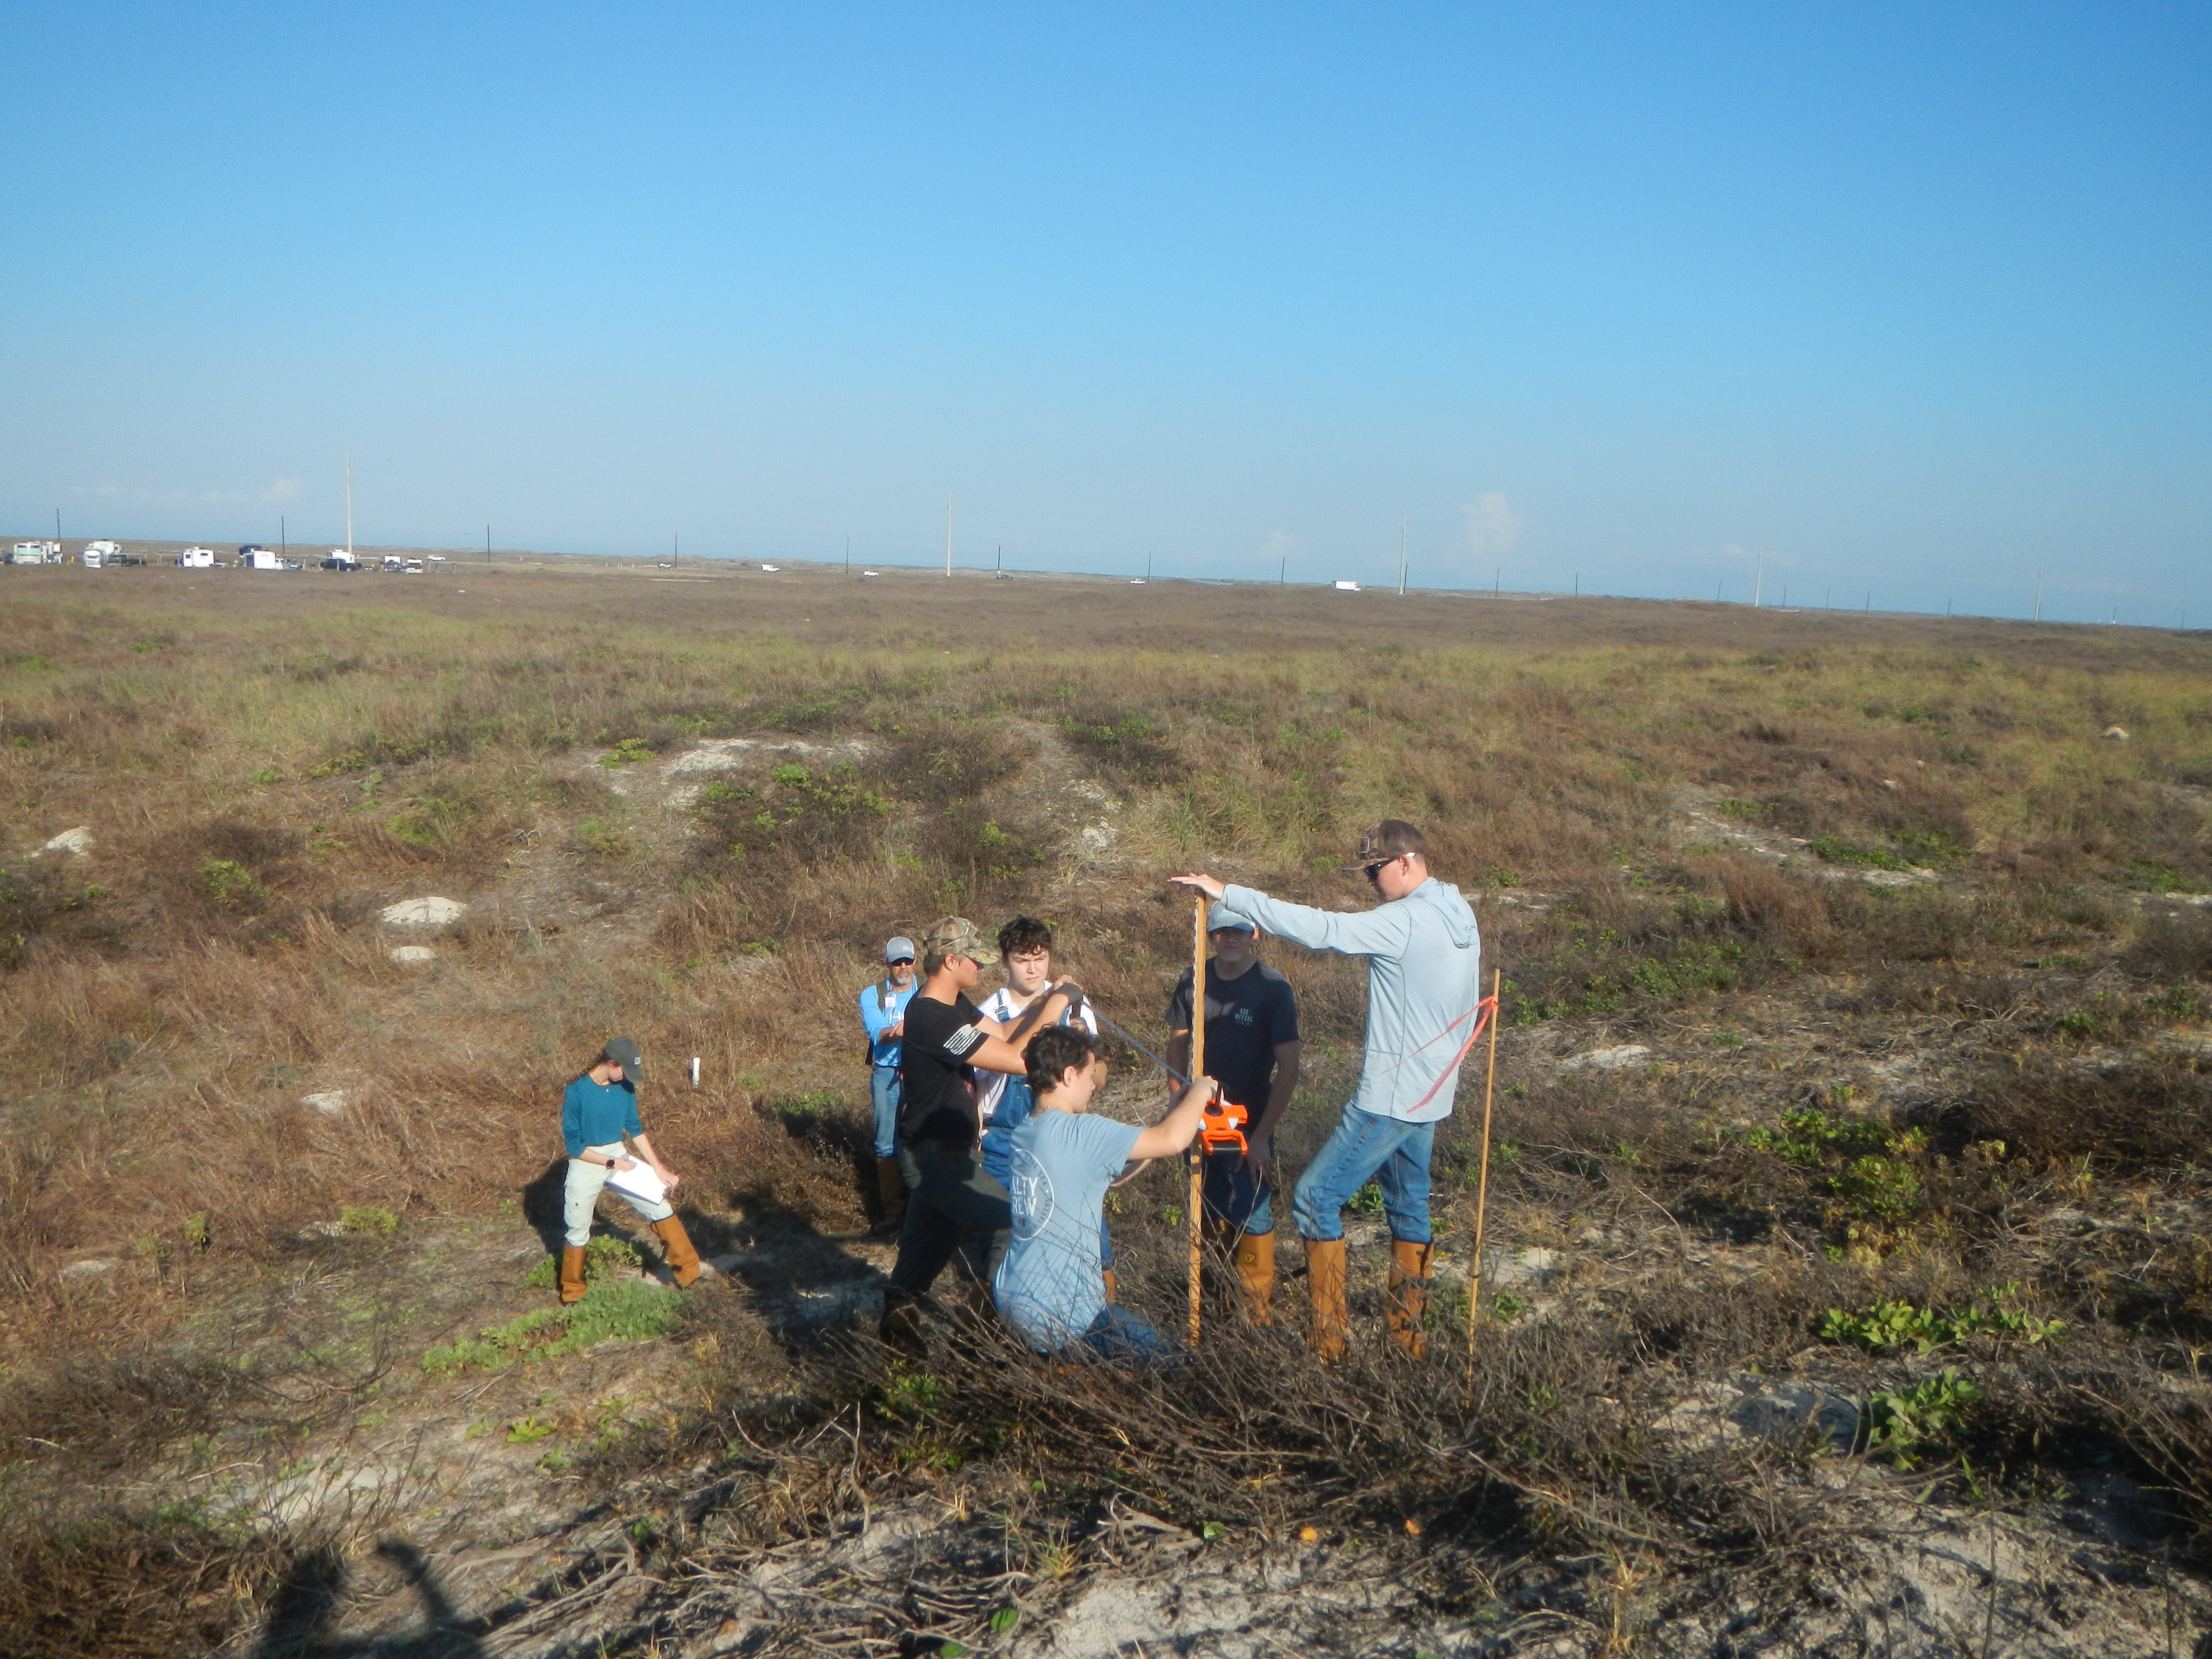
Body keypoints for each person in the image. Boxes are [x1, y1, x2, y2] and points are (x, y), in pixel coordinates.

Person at [1172, 820, 1480, 1360]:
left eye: (1374, 870)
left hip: (1390, 1098)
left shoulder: (1404, 920)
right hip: (1434, 1092)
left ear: (1406, 862)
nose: (1369, 881)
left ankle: (1328, 1351)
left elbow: (1322, 930)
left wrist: (1230, 894)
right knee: (1409, 1208)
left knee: (1316, 1199)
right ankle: (1408, 1347)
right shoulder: (1458, 909)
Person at [879, 917, 1084, 1353]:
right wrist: (1057, 1005)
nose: (982, 968)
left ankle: (898, 1346)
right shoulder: (930, 1017)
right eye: (975, 960)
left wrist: (1049, 998)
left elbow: (1007, 1032)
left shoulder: (954, 1005)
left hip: (952, 1153)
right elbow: (1015, 1058)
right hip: (934, 1159)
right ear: (950, 961)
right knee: (1007, 1228)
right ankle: (974, 1343)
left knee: (919, 1262)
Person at [995, 1024, 1215, 1362]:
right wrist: (1202, 1091)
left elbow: (1113, 1175)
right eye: (1089, 1073)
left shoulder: (1026, 1131)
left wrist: (1175, 1109)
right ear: (1069, 1075)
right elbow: (1173, 1141)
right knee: (1181, 1364)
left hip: (1014, 1300)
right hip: (1065, 1313)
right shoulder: (1080, 1131)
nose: (1094, 1085)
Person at [1164, 900, 1301, 1324]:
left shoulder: (1273, 989)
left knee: (1253, 1208)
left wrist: (1260, 1138)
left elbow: (1290, 1067)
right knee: (1209, 1203)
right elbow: (1178, 1040)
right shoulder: (1193, 979)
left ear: (1255, 934)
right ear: (1211, 936)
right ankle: (1213, 1308)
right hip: (1201, 1115)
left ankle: (1254, 1316)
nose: (1231, 940)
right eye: (1223, 932)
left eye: (1240, 931)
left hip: (1251, 1120)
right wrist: (1177, 1101)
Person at [970, 916, 1108, 1286]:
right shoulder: (987, 1013)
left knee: (1093, 1244)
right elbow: (976, 1087)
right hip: (1005, 1144)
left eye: (1040, 957)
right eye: (1022, 959)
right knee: (1004, 1249)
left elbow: (1101, 1073)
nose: (1033, 968)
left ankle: (1092, 1326)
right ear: (1005, 961)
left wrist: (1087, 1068)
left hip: (1065, 1138)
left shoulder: (1076, 1005)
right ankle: (998, 1334)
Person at [558, 1037, 705, 1303]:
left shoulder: (624, 1088)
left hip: (619, 1155)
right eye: (625, 1070)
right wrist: (611, 1163)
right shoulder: (577, 1093)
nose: (628, 1077)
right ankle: (573, 1293)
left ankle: (690, 1274)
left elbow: (635, 1129)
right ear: (611, 1063)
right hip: (587, 1163)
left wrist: (659, 1169)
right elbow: (574, 1146)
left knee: (660, 1208)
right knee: (577, 1229)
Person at [858, 936, 919, 1231]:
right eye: (897, 962)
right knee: (886, 1142)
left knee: (925, 1137)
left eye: (908, 961)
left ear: (916, 961)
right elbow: (877, 1032)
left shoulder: (929, 992)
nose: (904, 967)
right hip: (886, 1074)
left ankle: (926, 1210)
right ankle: (893, 1213)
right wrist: (897, 1033)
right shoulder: (872, 995)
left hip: (921, 1072)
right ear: (887, 964)